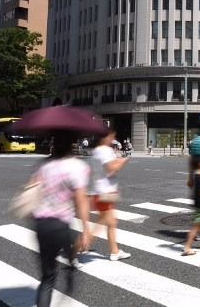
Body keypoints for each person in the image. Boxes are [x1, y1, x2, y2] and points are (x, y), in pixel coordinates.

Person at [30, 131, 91, 307]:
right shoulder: (77, 166)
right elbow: (81, 201)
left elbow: (31, 191)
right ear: (72, 143)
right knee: (72, 240)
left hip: (41, 224)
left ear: (54, 144)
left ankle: (70, 260)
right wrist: (86, 229)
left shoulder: (43, 165)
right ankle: (71, 262)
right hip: (60, 224)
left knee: (47, 278)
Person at [89, 129, 131, 263]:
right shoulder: (103, 150)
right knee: (103, 224)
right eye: (111, 136)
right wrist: (123, 160)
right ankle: (76, 250)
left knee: (110, 222)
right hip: (104, 191)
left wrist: (118, 160)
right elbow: (112, 168)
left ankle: (115, 251)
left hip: (103, 190)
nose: (112, 138)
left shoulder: (98, 150)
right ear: (104, 138)